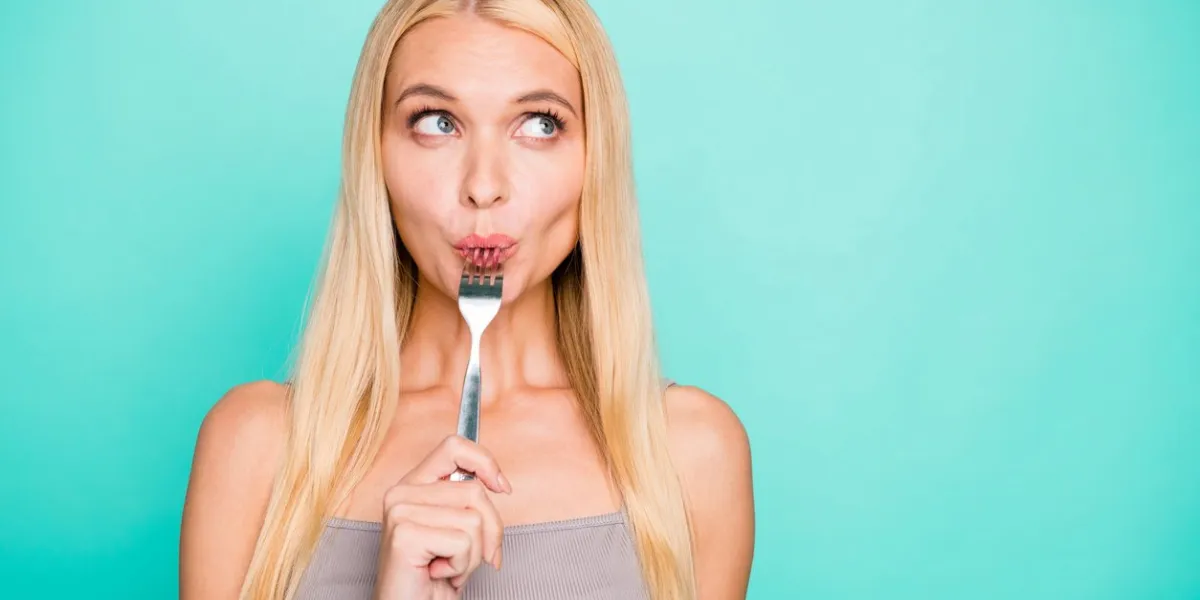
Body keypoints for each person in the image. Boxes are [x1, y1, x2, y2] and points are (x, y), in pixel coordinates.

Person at [179, 0, 754, 598]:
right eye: (437, 122)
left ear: (595, 157)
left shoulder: (690, 454)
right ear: (373, 156)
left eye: (540, 124)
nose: (483, 187)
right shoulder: (255, 449)